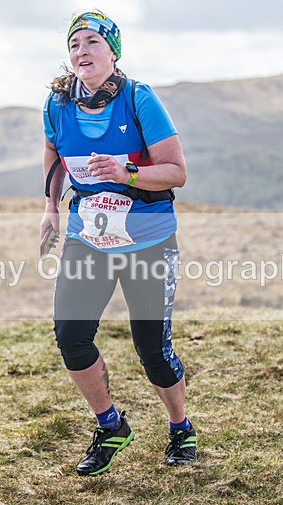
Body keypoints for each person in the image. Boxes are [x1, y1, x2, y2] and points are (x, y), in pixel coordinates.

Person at [41, 10, 196, 475]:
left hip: (148, 239)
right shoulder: (56, 104)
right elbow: (53, 155)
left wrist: (127, 172)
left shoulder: (138, 98)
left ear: (113, 52)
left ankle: (180, 427)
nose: (82, 51)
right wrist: (50, 207)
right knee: (71, 336)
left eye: (92, 41)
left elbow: (176, 173)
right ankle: (110, 425)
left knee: (152, 349)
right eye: (74, 44)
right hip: (87, 237)